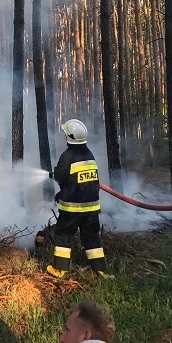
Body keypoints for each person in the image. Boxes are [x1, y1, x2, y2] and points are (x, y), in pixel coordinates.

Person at [47, 119, 111, 279]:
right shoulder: (89, 154)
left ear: (69, 137)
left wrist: (55, 176)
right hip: (91, 208)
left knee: (63, 235)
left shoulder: (67, 156)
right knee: (92, 238)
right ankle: (100, 270)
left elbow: (61, 178)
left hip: (72, 209)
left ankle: (60, 270)